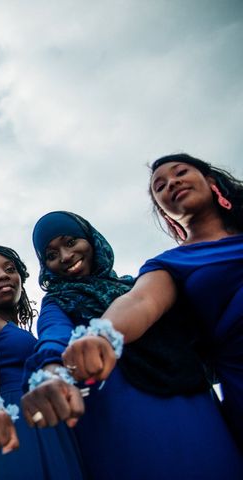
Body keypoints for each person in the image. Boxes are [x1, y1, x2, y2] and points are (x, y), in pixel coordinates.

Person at [22, 210, 242, 479]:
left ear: (91, 239)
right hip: (119, 407)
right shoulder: (58, 301)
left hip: (189, 393)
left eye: (70, 242)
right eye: (51, 255)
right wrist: (51, 371)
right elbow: (53, 335)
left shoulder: (139, 285)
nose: (65, 257)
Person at [62, 155, 243, 450]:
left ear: (211, 182)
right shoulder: (170, 263)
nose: (172, 183)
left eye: (181, 172)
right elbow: (141, 300)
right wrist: (101, 335)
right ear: (164, 212)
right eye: (160, 187)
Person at [0, 245, 84, 480]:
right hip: (8, 421)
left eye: (10, 269)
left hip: (52, 422)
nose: (3, 275)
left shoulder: (32, 333)